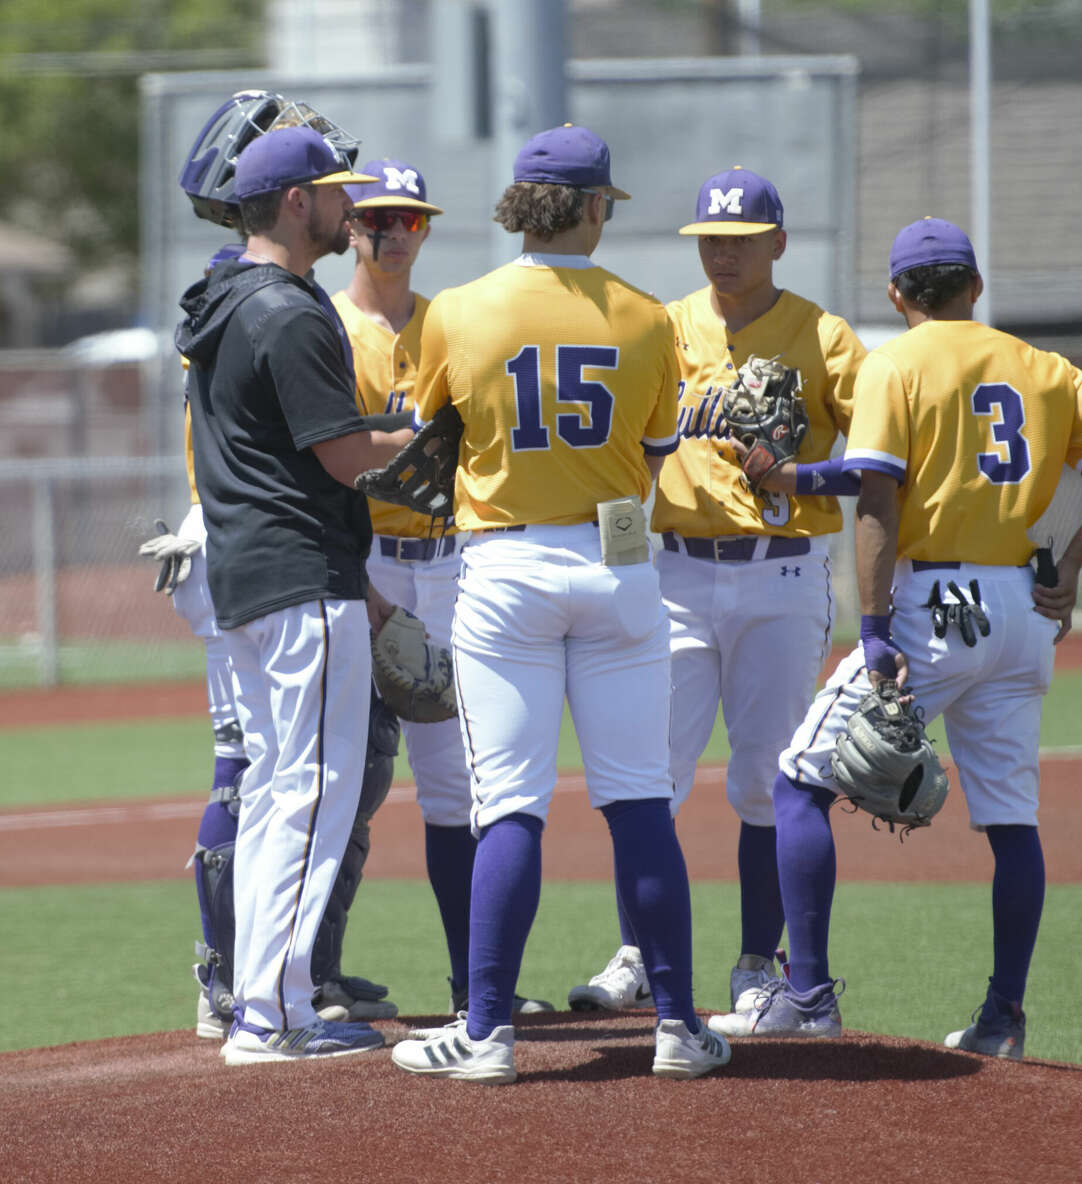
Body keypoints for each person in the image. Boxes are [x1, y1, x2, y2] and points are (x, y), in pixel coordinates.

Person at [707, 217, 1082, 1058]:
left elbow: (879, 496)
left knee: (798, 782)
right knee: (1012, 819)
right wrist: (1073, 553)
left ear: (895, 294)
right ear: (975, 287)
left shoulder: (897, 364)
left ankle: (805, 995)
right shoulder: (1041, 366)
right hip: (1025, 609)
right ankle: (1003, 1020)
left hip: (936, 605)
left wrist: (874, 628)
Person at [389, 124, 731, 1083]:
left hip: (501, 568)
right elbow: (658, 452)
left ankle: (488, 1032)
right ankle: (676, 1027)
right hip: (619, 566)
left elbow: (430, 437)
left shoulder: (458, 309)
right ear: (592, 206)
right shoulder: (648, 314)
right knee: (638, 804)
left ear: (515, 205)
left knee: (508, 809)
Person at [568, 167, 866, 1022]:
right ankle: (638, 953)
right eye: (710, 240)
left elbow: (882, 451)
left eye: (739, 239)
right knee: (646, 773)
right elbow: (627, 457)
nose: (723, 253)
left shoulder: (823, 335)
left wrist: (806, 471)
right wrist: (624, 562)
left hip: (783, 569)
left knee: (769, 779)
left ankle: (754, 965)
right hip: (676, 571)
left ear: (778, 241)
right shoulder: (663, 328)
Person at [150, 93, 401, 1042]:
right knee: (313, 789)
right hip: (302, 573)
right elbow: (340, 455)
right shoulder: (288, 310)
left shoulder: (221, 299)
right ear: (295, 203)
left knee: (273, 790)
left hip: (247, 577)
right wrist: (415, 438)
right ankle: (277, 1014)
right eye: (335, 195)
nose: (350, 210)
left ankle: (258, 1000)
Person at [332, 159, 552, 1018]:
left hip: (454, 563)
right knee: (343, 773)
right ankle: (314, 975)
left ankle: (477, 989)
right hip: (367, 558)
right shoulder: (327, 327)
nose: (393, 233)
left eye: (411, 220)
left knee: (460, 783)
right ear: (349, 227)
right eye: (377, 218)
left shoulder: (451, 325)